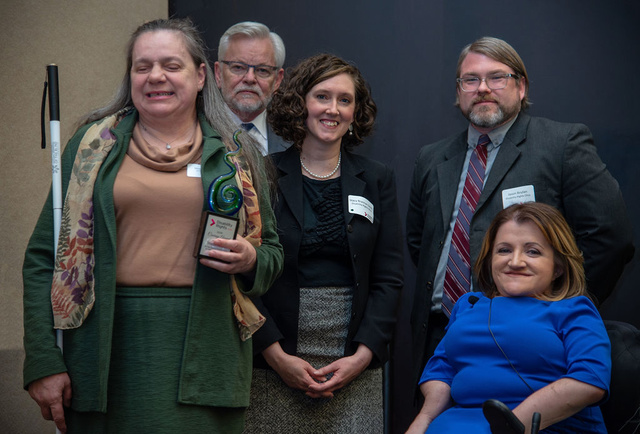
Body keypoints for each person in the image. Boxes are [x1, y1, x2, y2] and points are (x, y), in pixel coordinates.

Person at [22, 18, 283, 434]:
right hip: (102, 350)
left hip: (208, 352)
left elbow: (272, 252)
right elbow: (42, 258)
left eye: (170, 65)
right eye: (142, 66)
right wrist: (41, 359)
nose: (155, 76)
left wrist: (251, 258)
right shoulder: (91, 147)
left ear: (200, 76)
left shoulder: (238, 152)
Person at [406, 36, 633, 396]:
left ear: (521, 85)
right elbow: (421, 242)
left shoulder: (561, 144)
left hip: (532, 336)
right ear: (459, 90)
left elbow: (609, 236)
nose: (483, 88)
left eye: (497, 77)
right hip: (439, 336)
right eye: (471, 79)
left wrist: (558, 307)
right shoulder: (431, 158)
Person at [243, 54, 403, 433]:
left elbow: (389, 276)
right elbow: (245, 274)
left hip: (352, 358)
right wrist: (275, 353)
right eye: (322, 97)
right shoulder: (261, 173)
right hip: (274, 360)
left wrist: (362, 357)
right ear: (301, 105)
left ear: (355, 112)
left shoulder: (376, 179)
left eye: (345, 100)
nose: (333, 109)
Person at [406, 202, 611, 433]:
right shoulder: (467, 305)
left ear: (558, 267)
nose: (515, 261)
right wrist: (423, 421)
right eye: (504, 250)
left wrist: (510, 426)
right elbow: (441, 370)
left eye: (532, 251)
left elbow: (590, 380)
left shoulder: (574, 310)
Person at [214, 21, 288, 156]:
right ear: (219, 74)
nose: (250, 78)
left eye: (262, 70)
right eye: (238, 67)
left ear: (277, 80)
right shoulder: (195, 132)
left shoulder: (295, 139)